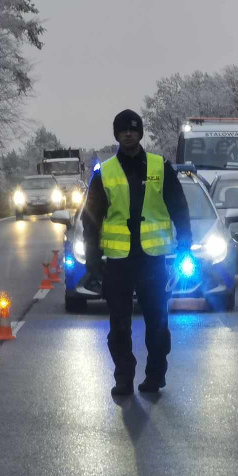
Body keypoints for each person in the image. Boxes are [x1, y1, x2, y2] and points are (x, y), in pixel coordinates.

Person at [82, 109, 193, 397]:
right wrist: (93, 263)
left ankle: (155, 375)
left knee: (157, 322)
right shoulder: (104, 172)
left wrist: (186, 244)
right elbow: (91, 221)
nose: (128, 134)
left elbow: (179, 207)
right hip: (118, 263)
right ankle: (123, 377)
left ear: (140, 133)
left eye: (133, 130)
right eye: (123, 130)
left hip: (152, 260)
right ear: (117, 135)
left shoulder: (160, 166)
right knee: (119, 326)